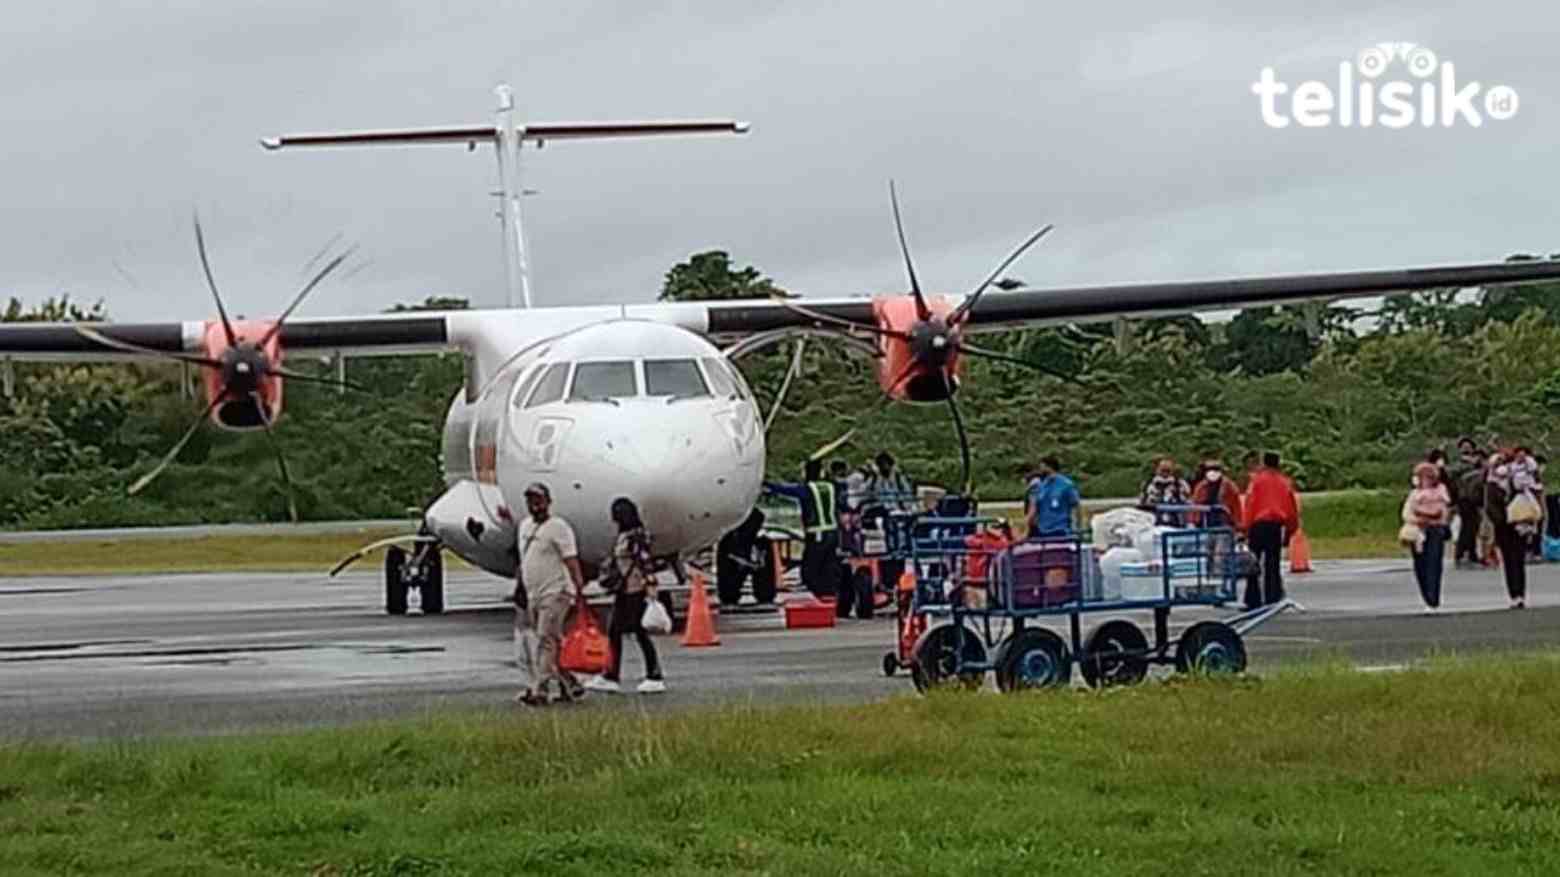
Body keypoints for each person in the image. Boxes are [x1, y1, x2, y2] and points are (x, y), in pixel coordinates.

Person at [514, 482, 588, 706]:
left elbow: (570, 559)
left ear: (548, 502)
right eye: (530, 501)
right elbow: (524, 560)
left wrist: (578, 586)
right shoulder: (524, 526)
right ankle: (570, 684)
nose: (535, 506)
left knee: (545, 638)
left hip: (556, 592)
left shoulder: (559, 527)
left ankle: (540, 688)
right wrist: (520, 586)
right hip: (533, 593)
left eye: (539, 501)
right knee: (552, 641)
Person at [585, 498, 666, 695]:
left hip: (636, 590)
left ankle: (653, 675)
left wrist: (650, 588)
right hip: (625, 590)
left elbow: (645, 563)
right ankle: (612, 674)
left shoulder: (635, 537)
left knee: (638, 632)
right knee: (616, 631)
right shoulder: (627, 536)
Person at [763, 459, 842, 609]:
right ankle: (830, 596)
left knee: (811, 569)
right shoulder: (830, 486)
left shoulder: (808, 489)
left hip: (817, 533)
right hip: (833, 532)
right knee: (828, 566)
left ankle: (820, 598)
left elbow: (786, 490)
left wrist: (768, 484)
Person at [1241, 452, 1300, 609]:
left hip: (1257, 525)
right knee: (1272, 564)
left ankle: (1252, 599)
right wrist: (1291, 530)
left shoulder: (1256, 481)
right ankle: (1272, 597)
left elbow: (1250, 504)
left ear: (1264, 463)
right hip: (1275, 526)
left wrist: (1245, 528)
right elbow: (1291, 509)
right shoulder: (1284, 482)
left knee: (1253, 563)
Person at [1485, 446, 1539, 609]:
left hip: (1519, 523)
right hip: (1503, 526)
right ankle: (1514, 594)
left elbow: (1533, 489)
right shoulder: (1492, 484)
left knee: (1518, 559)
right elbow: (1490, 507)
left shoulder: (1521, 481)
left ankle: (1520, 594)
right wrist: (1501, 520)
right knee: (1509, 559)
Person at [1403, 462, 1452, 613]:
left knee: (1433, 564)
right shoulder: (1414, 494)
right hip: (1418, 531)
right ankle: (1426, 596)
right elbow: (1407, 513)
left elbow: (1441, 513)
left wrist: (1427, 516)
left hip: (1434, 530)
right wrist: (1419, 519)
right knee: (1420, 565)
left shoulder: (1441, 491)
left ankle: (1433, 599)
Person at [1450, 437, 1486, 568]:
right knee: (1467, 527)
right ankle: (1462, 555)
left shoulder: (1479, 463)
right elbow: (1452, 476)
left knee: (1474, 527)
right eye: (1463, 446)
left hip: (1476, 499)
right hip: (1463, 498)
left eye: (1469, 446)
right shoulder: (1458, 464)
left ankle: (1472, 554)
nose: (1466, 448)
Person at [1025, 455, 1081, 538]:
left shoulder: (1066, 485)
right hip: (1042, 531)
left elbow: (1076, 507)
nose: (1040, 470)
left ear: (1049, 467)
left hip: (1061, 530)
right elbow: (1034, 509)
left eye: (1042, 466)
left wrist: (1076, 528)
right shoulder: (1041, 486)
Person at [1188, 457, 1243, 529]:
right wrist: (1191, 521)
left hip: (1224, 521)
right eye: (1209, 469)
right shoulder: (1201, 486)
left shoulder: (1229, 487)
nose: (1212, 472)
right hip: (1204, 521)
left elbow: (1236, 506)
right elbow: (1195, 503)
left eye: (1215, 469)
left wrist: (1238, 524)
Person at [1138, 457, 1192, 526]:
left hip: (1175, 522)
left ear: (1172, 469)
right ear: (1156, 469)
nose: (1165, 472)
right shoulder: (1148, 484)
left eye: (1168, 469)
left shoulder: (1180, 484)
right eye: (1162, 469)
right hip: (1152, 521)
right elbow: (1142, 503)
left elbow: (1188, 502)